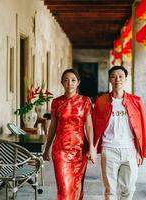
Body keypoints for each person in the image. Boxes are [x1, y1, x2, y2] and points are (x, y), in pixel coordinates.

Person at [93, 65, 146, 200]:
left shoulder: (136, 101)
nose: (117, 79)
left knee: (129, 189)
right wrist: (93, 147)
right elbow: (95, 125)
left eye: (120, 76)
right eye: (113, 76)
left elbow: (143, 125)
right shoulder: (101, 101)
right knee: (110, 191)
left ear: (125, 79)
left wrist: (141, 150)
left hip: (130, 150)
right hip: (109, 149)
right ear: (109, 79)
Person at [43, 69, 97, 200]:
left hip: (80, 150)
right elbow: (53, 127)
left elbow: (89, 126)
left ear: (78, 82)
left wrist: (92, 147)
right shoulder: (56, 102)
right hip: (60, 150)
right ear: (62, 83)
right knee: (64, 189)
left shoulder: (85, 101)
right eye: (66, 80)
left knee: (77, 186)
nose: (70, 83)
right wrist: (46, 149)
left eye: (73, 80)